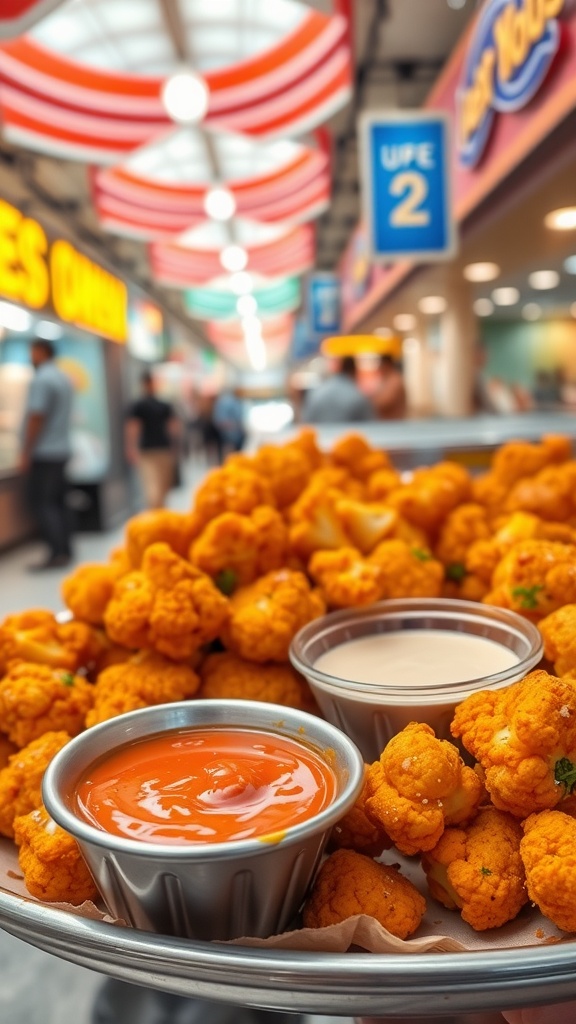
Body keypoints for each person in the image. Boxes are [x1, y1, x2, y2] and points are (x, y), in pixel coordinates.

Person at [20, 338, 74, 570]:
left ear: (41, 352)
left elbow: (36, 417)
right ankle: (66, 549)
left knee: (43, 502)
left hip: (45, 451)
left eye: (32, 352)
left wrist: (26, 450)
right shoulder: (64, 377)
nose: (31, 357)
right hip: (61, 449)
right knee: (59, 501)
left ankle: (55, 553)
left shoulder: (42, 379)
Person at [125, 371, 179, 509]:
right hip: (152, 451)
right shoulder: (143, 406)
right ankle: (156, 517)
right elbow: (173, 428)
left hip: (155, 450)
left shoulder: (160, 405)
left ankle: (158, 515)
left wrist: (131, 447)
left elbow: (172, 427)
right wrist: (131, 447)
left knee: (160, 486)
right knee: (155, 488)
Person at [300, 355, 374, 423]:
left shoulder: (316, 393)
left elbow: (306, 421)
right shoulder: (358, 396)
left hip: (321, 436)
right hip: (347, 436)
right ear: (354, 370)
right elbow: (371, 428)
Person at [212, 387, 246, 457]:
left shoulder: (237, 401)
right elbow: (220, 421)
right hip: (228, 438)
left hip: (236, 437)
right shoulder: (225, 401)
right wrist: (233, 426)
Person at [372, 354, 406, 420]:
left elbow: (384, 403)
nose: (379, 368)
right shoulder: (387, 379)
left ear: (387, 365)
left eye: (380, 365)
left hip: (394, 423)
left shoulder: (394, 380)